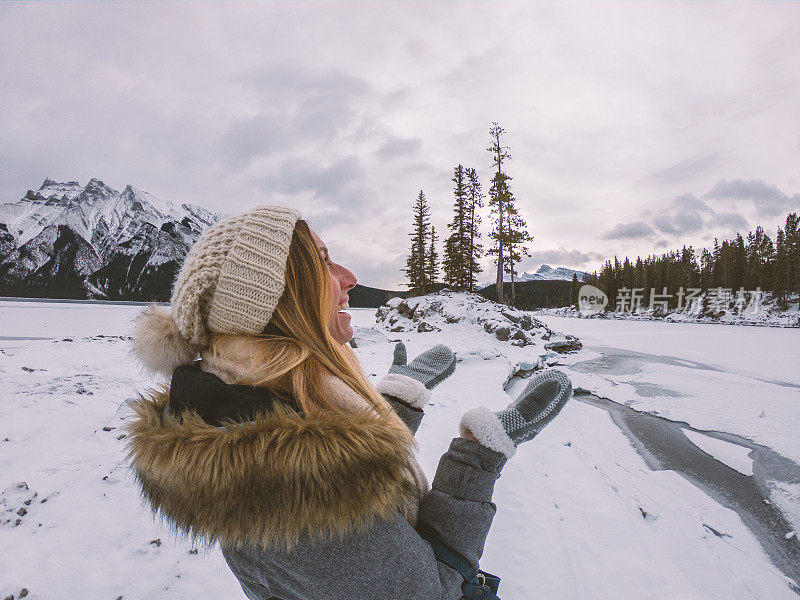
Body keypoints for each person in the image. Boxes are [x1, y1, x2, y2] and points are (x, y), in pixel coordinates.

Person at [126, 204, 573, 600]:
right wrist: (477, 461)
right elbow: (435, 592)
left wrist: (390, 409)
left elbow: (330, 461)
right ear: (278, 299)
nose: (349, 278)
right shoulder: (291, 487)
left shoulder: (245, 413)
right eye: (322, 263)